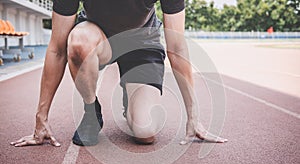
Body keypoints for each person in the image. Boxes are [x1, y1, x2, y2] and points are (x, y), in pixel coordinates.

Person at [11, 0, 227, 147]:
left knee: (144, 132)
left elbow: (177, 48)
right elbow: (57, 49)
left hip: (142, 43)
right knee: (78, 42)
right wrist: (40, 118)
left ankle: (130, 93)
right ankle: (91, 111)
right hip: (98, 36)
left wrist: (193, 116)